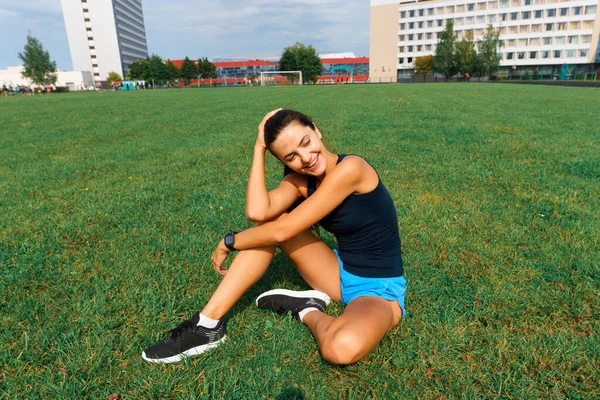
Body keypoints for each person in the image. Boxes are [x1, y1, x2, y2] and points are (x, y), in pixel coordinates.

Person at [142, 109, 407, 365]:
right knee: (271, 222)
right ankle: (207, 325)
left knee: (340, 349)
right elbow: (258, 212)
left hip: (377, 288)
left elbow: (283, 231)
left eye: (306, 142)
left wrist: (230, 242)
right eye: (291, 156)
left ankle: (307, 309)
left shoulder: (352, 168)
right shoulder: (303, 181)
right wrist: (259, 148)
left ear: (317, 130)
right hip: (337, 272)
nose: (305, 157)